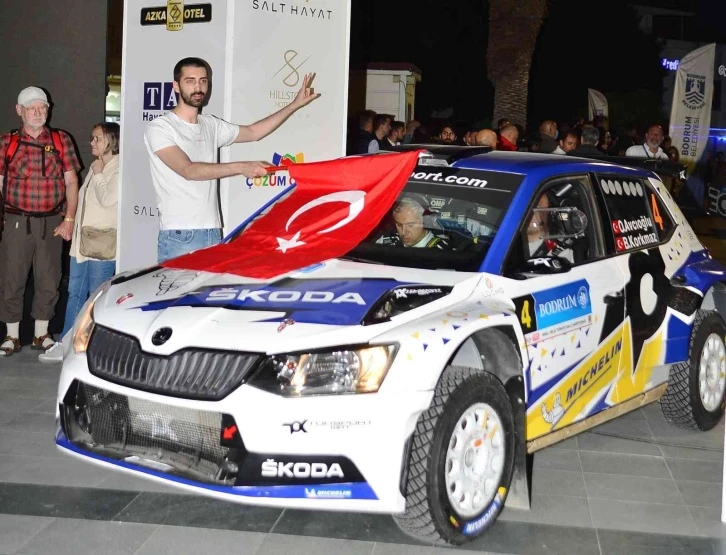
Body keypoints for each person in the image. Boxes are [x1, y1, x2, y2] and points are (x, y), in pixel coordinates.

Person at [145, 57, 321, 263]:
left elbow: (253, 132)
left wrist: (294, 105)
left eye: (203, 81)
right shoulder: (161, 128)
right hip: (179, 235)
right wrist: (241, 167)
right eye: (190, 81)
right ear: (176, 86)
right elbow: (188, 170)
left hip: (213, 231)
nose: (198, 87)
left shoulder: (210, 124)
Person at [0, 87, 81, 357]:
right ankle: (12, 336)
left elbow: (71, 181)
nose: (37, 113)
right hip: (16, 220)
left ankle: (41, 334)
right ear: (19, 110)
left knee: (49, 279)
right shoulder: (7, 142)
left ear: (48, 109)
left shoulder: (60, 140)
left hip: (52, 222)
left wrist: (69, 219)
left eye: (42, 107)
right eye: (31, 108)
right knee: (12, 277)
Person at [39, 123, 120, 363]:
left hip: (101, 244)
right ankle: (66, 343)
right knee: (75, 293)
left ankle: (90, 346)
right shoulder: (98, 166)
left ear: (111, 141)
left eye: (97, 138)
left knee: (96, 297)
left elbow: (108, 200)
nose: (92, 142)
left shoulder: (118, 168)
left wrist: (99, 173)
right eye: (93, 138)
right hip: (81, 244)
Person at [376, 197, 452, 249]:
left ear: (424, 222)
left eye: (410, 225)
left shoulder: (441, 249)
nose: (404, 232)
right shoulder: (384, 242)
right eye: (399, 225)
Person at [526, 194, 573, 262]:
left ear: (550, 214)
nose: (529, 212)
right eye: (525, 207)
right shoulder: (511, 244)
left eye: (537, 206)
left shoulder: (562, 255)